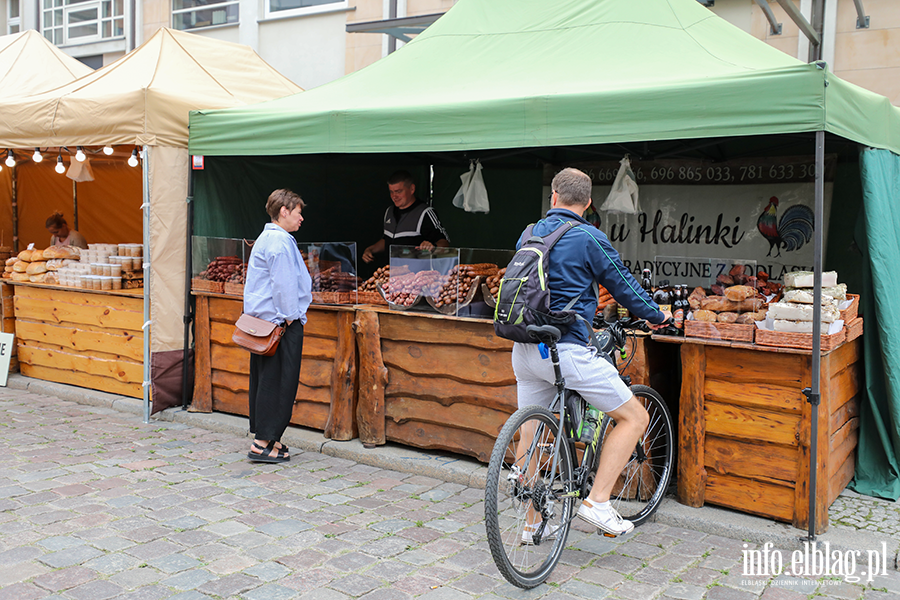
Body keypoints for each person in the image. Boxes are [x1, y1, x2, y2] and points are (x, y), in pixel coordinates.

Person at [512, 167, 670, 539]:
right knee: (633, 417)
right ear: (588, 203)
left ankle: (534, 524)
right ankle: (598, 503)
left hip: (524, 348)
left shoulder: (530, 232)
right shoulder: (588, 237)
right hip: (565, 351)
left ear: (553, 197)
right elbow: (624, 285)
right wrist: (657, 315)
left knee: (530, 428)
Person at [243, 189, 312, 463]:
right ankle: (262, 443)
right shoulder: (279, 241)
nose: (301, 218)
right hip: (279, 324)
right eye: (298, 212)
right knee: (278, 382)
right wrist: (290, 317)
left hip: (267, 323)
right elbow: (283, 285)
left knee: (266, 380)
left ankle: (269, 439)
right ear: (284, 211)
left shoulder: (269, 237)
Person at [362, 170, 450, 264]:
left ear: (412, 189)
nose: (394, 196)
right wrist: (370, 249)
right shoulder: (389, 211)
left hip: (415, 275)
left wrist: (432, 246)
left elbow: (445, 243)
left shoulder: (425, 212)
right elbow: (387, 239)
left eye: (398, 191)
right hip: (391, 274)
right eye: (391, 192)